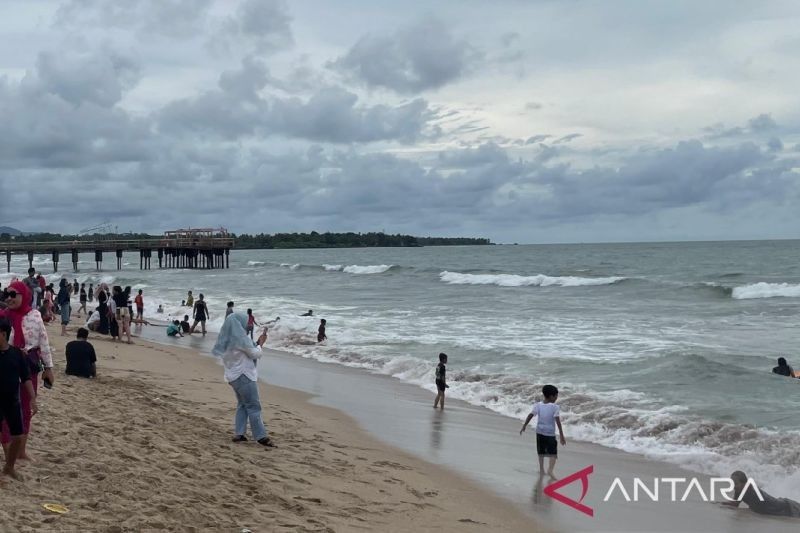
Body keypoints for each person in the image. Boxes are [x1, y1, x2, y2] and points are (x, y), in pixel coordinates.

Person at [0, 280, 54, 463]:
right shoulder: (3, 317)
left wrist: (49, 368)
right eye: (7, 294)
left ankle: (21, 451)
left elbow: (44, 343)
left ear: (24, 295)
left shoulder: (35, 316)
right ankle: (9, 452)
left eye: (14, 294)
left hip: (29, 367)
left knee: (26, 409)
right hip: (7, 367)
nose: (9, 298)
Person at [212, 313, 274, 448]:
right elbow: (255, 354)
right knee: (253, 406)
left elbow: (246, 351)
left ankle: (239, 433)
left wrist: (256, 344)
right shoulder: (240, 340)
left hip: (233, 376)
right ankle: (261, 436)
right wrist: (261, 344)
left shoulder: (225, 339)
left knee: (242, 404)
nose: (247, 325)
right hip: (244, 375)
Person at [0, 318, 37, 480]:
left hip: (12, 401)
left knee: (18, 436)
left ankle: (9, 467)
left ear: (3, 334)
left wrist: (33, 399)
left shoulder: (17, 354)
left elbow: (26, 378)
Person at [520, 384, 566, 477]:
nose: (556, 398)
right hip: (550, 434)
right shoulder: (555, 407)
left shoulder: (538, 405)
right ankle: (550, 470)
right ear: (551, 396)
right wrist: (561, 435)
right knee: (553, 453)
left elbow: (531, 415)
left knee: (540, 452)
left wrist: (524, 425)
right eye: (556, 396)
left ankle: (541, 469)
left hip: (539, 432)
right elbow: (558, 421)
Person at [722, 471, 800, 517]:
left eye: (735, 484)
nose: (733, 486)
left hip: (786, 507)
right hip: (775, 507)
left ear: (745, 484)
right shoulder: (739, 489)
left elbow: (761, 509)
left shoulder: (753, 491)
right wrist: (721, 504)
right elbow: (736, 503)